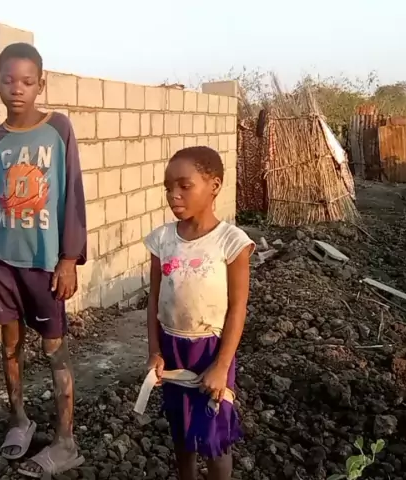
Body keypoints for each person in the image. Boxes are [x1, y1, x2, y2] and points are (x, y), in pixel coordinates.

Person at [0, 42, 87, 478]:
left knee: (54, 350)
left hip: (44, 263)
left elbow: (72, 193)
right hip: (3, 263)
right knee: (9, 346)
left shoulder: (58, 128)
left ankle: (65, 441)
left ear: (41, 83)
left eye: (26, 81)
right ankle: (19, 419)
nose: (17, 89)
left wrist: (69, 258)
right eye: (8, 80)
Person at [143, 146, 254, 480]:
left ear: (214, 185)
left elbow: (237, 307)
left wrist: (221, 366)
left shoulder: (231, 242)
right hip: (172, 346)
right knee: (181, 429)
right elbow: (154, 299)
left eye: (184, 185)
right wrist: (154, 351)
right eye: (168, 187)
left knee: (213, 435)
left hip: (210, 349)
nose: (173, 195)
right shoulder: (162, 239)